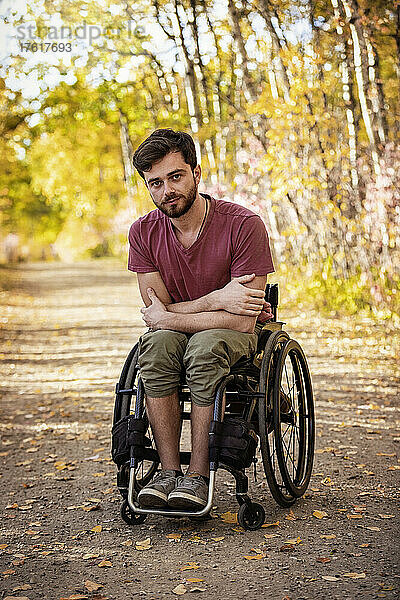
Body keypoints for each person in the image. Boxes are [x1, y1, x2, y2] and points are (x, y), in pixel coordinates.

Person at [128, 129, 275, 510]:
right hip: (181, 331)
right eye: (155, 183)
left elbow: (242, 322)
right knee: (156, 346)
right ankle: (167, 472)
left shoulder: (244, 225)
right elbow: (153, 318)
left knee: (205, 346)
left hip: (236, 333)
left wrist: (170, 315)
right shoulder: (143, 233)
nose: (167, 191)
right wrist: (217, 299)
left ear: (196, 172)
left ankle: (196, 476)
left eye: (175, 177)